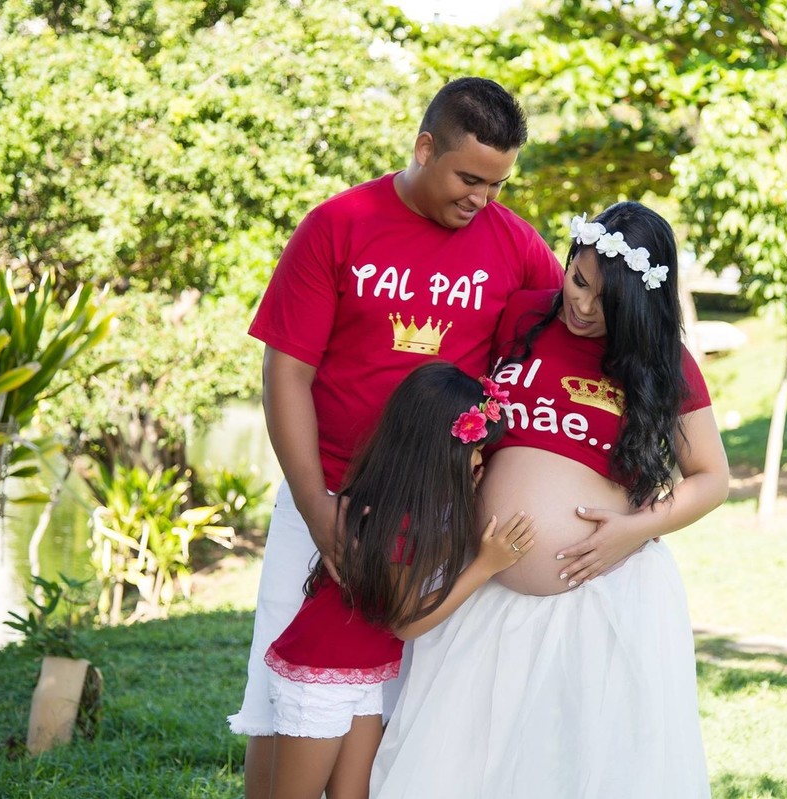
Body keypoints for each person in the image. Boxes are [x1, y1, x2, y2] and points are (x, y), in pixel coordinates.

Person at [228, 76, 562, 797]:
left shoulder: (516, 245)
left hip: (434, 521)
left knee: (393, 710)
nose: (482, 199)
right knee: (281, 697)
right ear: (424, 148)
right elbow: (286, 375)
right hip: (327, 497)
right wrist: (318, 511)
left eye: (498, 184)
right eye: (469, 178)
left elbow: (566, 338)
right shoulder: (338, 225)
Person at [371, 202, 731, 798]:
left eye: (606, 302)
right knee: (459, 769)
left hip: (601, 597)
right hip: (482, 588)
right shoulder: (522, 316)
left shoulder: (664, 363)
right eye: (579, 281)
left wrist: (634, 528)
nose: (583, 306)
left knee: (580, 770)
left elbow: (712, 478)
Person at [263, 362, 535, 799]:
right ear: (441, 449)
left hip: (362, 674)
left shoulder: (416, 503)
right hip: (319, 676)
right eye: (476, 449)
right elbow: (406, 623)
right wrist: (486, 566)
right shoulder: (400, 519)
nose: (480, 459)